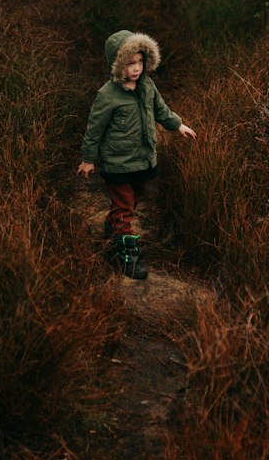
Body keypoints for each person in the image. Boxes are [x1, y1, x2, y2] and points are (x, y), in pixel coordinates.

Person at [77, 28, 196, 281]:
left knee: (134, 198)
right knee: (124, 206)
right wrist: (88, 159)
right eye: (130, 63)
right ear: (118, 64)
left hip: (143, 159)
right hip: (117, 163)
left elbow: (162, 110)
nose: (136, 68)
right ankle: (125, 254)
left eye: (140, 61)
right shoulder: (107, 95)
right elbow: (94, 129)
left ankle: (113, 229)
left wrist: (178, 125)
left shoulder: (148, 86)